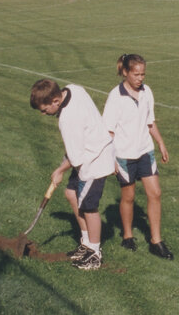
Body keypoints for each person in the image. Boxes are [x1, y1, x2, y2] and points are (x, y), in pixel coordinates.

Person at [30, 78, 115, 271]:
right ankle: (85, 243)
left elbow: (75, 159)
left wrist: (59, 170)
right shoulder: (72, 89)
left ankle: (94, 253)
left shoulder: (67, 120)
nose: (44, 114)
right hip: (90, 151)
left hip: (95, 159)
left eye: (44, 110)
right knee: (71, 193)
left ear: (55, 102)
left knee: (88, 207)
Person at [102, 53, 173, 259]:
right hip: (123, 155)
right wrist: (111, 157)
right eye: (136, 74)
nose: (140, 78)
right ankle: (127, 235)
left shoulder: (147, 92)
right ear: (125, 72)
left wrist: (160, 143)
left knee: (155, 193)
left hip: (145, 151)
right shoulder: (115, 97)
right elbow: (109, 131)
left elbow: (150, 122)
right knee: (129, 196)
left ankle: (156, 241)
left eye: (143, 74)